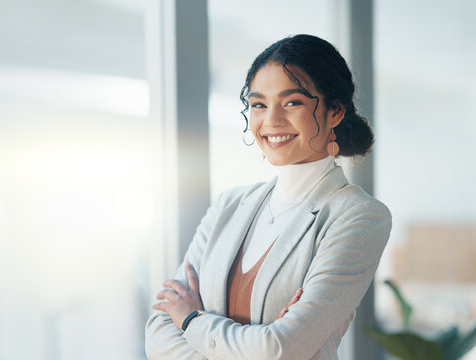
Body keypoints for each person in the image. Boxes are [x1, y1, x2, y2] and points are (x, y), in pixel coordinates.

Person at [144, 34, 392, 360]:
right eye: (259, 104)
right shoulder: (228, 206)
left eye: (292, 102)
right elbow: (159, 330)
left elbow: (281, 348)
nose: (271, 121)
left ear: (335, 111)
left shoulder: (359, 216)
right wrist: (255, 343)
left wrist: (190, 319)